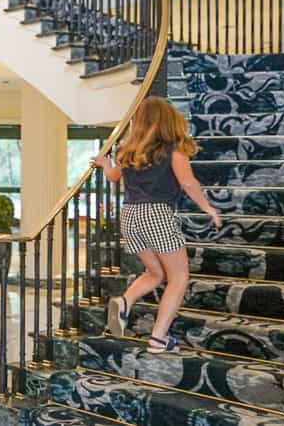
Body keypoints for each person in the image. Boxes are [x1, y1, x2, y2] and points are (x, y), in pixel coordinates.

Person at [92, 96, 221, 354]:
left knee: (155, 273)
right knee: (179, 277)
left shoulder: (129, 151)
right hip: (157, 214)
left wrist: (105, 163)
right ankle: (159, 338)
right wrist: (207, 207)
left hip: (129, 215)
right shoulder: (173, 148)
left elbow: (113, 177)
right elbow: (187, 182)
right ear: (168, 120)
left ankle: (125, 300)